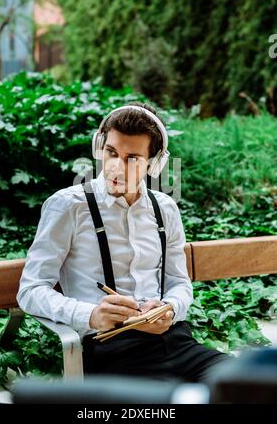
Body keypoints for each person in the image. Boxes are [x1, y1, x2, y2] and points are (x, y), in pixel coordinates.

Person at [17, 102, 231, 383]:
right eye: (111, 152)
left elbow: (179, 282)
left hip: (178, 343)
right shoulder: (68, 206)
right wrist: (91, 314)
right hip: (113, 353)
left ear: (153, 164)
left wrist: (170, 308)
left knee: (255, 383)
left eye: (132, 158)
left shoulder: (164, 208)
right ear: (99, 148)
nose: (116, 168)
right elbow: (30, 290)